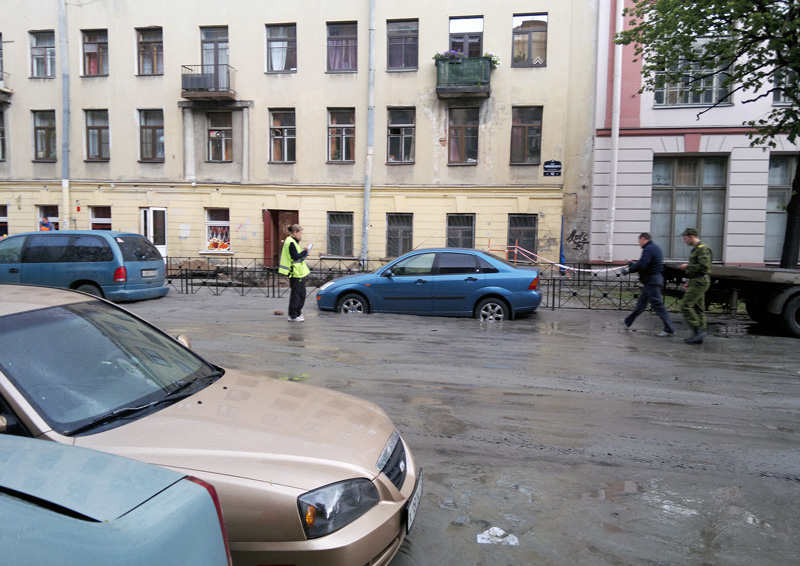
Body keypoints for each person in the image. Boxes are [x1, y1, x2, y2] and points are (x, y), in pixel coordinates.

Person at [621, 232, 676, 337]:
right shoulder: (655, 248)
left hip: (652, 281)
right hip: (652, 281)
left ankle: (669, 328)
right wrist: (633, 264)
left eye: (639, 241)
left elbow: (643, 265)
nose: (639, 243)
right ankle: (628, 322)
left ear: (642, 239)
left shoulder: (649, 249)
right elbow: (648, 263)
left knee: (657, 305)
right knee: (641, 303)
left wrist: (629, 270)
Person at [678, 228, 712, 344]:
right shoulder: (696, 249)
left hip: (700, 281)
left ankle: (699, 331)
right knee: (698, 309)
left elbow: (704, 267)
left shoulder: (702, 249)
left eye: (685, 238)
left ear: (691, 236)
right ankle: (699, 335)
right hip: (696, 280)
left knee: (685, 305)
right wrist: (689, 281)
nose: (684, 241)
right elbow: (698, 268)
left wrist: (687, 266)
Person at [278, 224, 310, 322]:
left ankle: (296, 314)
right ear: (295, 232)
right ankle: (293, 315)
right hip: (295, 273)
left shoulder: (292, 241)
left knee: (300, 294)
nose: (301, 235)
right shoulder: (291, 242)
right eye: (300, 233)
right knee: (297, 295)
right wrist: (305, 251)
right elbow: (295, 257)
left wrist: (303, 253)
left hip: (297, 272)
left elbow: (296, 256)